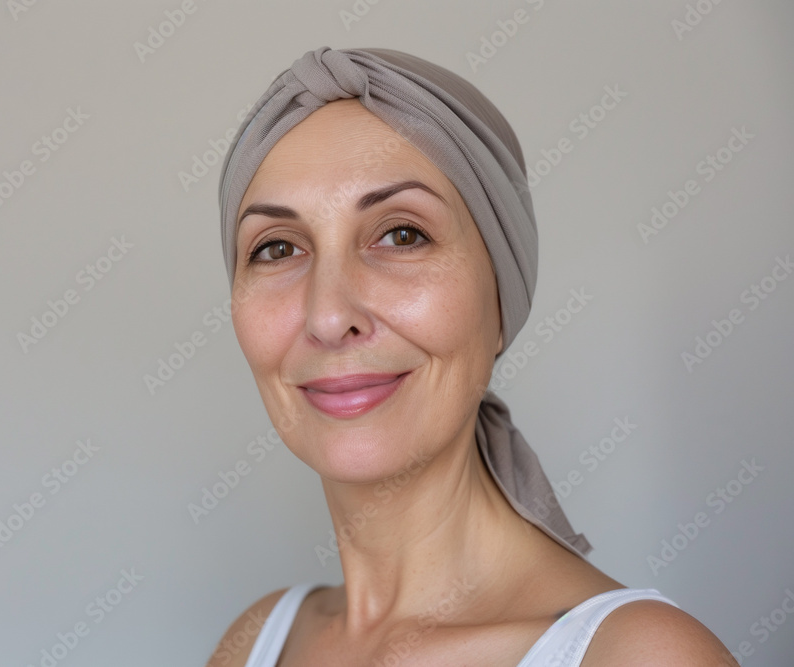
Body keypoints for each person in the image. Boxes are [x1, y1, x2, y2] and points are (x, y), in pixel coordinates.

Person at [208, 47, 736, 666]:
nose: (327, 316)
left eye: (402, 234)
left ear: (501, 300)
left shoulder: (641, 655)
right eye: (276, 249)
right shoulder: (258, 641)